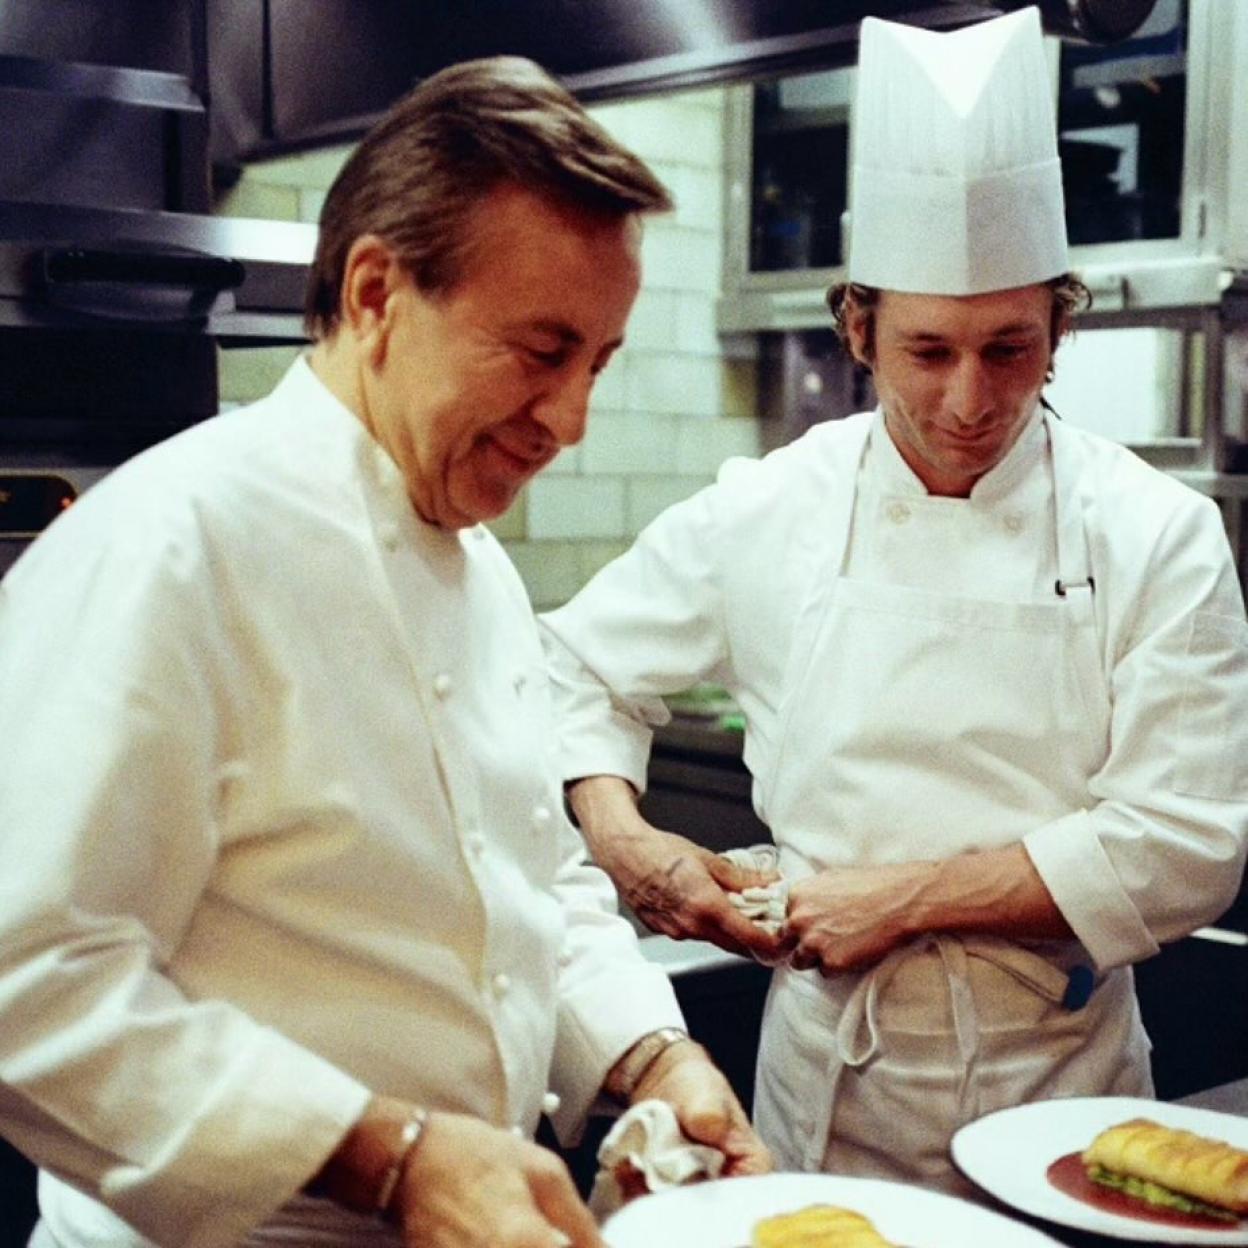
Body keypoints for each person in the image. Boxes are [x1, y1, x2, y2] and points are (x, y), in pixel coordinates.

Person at [0, 56, 770, 1248]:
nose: (571, 423)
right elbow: (28, 976)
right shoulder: (172, 547)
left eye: (598, 365)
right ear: (374, 292)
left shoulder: (485, 572)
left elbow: (529, 883)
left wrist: (652, 1055)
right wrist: (390, 1157)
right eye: (539, 350)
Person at [539, 8, 1248, 1194]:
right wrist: (630, 847)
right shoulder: (770, 509)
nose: (972, 397)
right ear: (858, 328)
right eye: (929, 351)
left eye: (1010, 349)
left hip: (1063, 1096)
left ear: (1061, 329)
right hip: (826, 1090)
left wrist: (905, 901)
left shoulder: (1154, 532)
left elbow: (1185, 844)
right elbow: (567, 667)